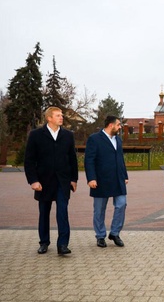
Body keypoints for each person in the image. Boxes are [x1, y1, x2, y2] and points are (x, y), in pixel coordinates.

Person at [24, 106, 78, 255]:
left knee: (62, 211)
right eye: (58, 115)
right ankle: (44, 242)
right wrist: (33, 181)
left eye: (61, 115)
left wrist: (74, 179)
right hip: (43, 182)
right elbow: (29, 161)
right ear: (49, 118)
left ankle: (63, 245)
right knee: (44, 212)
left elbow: (72, 159)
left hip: (63, 181)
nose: (61, 117)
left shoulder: (68, 135)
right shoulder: (36, 135)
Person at [85, 116, 129, 248]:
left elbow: (120, 159)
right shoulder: (94, 139)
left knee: (122, 204)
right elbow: (89, 160)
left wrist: (124, 175)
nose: (120, 127)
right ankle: (100, 236)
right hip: (100, 180)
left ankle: (115, 233)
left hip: (118, 179)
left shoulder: (118, 140)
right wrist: (91, 178)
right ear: (110, 125)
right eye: (118, 125)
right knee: (99, 210)